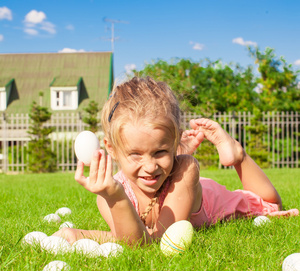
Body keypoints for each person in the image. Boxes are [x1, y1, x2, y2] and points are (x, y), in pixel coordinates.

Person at [53, 77, 299, 245]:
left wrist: (85, 234)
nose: (149, 167)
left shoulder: (187, 168)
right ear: (112, 149)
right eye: (136, 154)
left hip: (212, 197)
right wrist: (114, 196)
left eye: (160, 152)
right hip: (177, 183)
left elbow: (159, 240)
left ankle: (237, 154)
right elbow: (131, 240)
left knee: (269, 204)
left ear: (173, 144)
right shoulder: (109, 193)